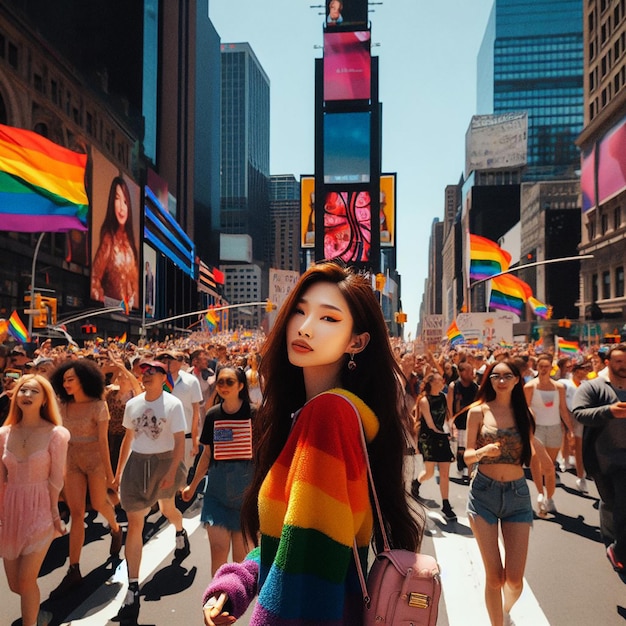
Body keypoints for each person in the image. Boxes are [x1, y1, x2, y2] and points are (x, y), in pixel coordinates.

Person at [201, 262, 422, 625]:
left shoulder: (328, 416)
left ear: (357, 341)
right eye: (300, 311)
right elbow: (294, 543)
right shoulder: (316, 415)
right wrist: (237, 581)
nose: (304, 327)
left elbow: (305, 576)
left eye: (329, 318)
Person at [114, 359, 190, 622]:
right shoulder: (133, 404)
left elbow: (180, 440)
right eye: (143, 372)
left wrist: (172, 472)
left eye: (151, 372)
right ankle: (133, 586)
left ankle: (180, 531)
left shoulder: (173, 404)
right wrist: (119, 471)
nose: (145, 376)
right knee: (135, 522)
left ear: (161, 376)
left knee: (168, 510)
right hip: (137, 464)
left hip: (164, 461)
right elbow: (128, 437)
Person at [464, 360, 535, 626]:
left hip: (517, 495)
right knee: (495, 577)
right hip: (483, 493)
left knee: (514, 579)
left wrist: (544, 488)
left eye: (508, 376)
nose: (501, 380)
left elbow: (533, 451)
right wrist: (483, 452)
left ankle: (506, 609)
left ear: (517, 379)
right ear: (489, 380)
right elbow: (467, 456)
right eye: (496, 376)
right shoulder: (478, 412)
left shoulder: (524, 414)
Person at [49, 359, 123, 598]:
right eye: (64, 380)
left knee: (101, 503)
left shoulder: (99, 406)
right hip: (71, 459)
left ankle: (115, 528)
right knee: (77, 512)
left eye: (71, 379)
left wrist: (111, 475)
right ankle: (74, 569)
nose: (66, 383)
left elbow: (103, 442)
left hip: (94, 460)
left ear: (84, 380)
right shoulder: (62, 405)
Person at [0, 374, 70, 626]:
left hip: (41, 509)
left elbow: (56, 480)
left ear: (44, 400)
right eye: (23, 391)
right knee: (15, 584)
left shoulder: (56, 434)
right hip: (10, 511)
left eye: (33, 392)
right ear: (15, 396)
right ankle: (39, 615)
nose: (27, 395)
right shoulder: (3, 434)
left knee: (27, 580)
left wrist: (53, 514)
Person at [181, 365, 255, 575]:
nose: (223, 386)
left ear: (241, 386)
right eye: (220, 382)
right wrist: (193, 485)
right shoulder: (213, 415)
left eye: (229, 382)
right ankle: (215, 601)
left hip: (245, 492)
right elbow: (207, 454)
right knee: (218, 551)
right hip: (217, 491)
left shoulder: (254, 414)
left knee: (240, 560)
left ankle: (233, 603)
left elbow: (263, 452)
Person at [572, 343, 626, 577]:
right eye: (619, 362)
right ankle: (613, 544)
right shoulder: (593, 388)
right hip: (605, 460)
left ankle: (618, 549)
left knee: (622, 505)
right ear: (608, 363)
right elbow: (579, 413)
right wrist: (609, 411)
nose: (623, 367)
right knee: (613, 503)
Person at [524, 354, 575, 515]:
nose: (544, 369)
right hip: (536, 429)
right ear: (537, 368)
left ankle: (550, 496)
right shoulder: (530, 387)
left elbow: (563, 410)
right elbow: (525, 410)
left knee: (550, 466)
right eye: (541, 366)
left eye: (547, 367)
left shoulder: (558, 387)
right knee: (538, 464)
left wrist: (571, 430)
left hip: (554, 429)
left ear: (551, 368)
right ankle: (540, 493)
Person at [411, 372, 456, 520]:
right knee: (429, 473)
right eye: (438, 380)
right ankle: (416, 482)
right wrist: (442, 433)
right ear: (431, 382)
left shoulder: (443, 397)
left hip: (442, 437)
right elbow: (430, 424)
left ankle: (446, 503)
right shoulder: (424, 400)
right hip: (429, 438)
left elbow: (447, 417)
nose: (441, 382)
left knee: (444, 473)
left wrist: (450, 428)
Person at [90, 176, 139, 307]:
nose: (121, 208)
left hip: (130, 314)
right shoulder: (109, 240)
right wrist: (103, 300)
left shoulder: (131, 244)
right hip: (111, 312)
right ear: (112, 202)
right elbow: (94, 279)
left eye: (125, 202)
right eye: (117, 199)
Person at [448, 361, 479, 482]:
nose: (471, 373)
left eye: (472, 370)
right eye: (467, 370)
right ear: (461, 372)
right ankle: (461, 466)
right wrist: (451, 420)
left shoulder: (475, 387)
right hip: (459, 420)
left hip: (471, 420)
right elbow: (450, 404)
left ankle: (468, 469)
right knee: (460, 447)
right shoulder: (454, 386)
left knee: (470, 445)